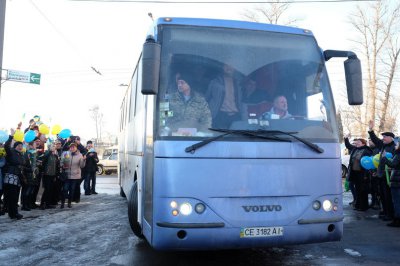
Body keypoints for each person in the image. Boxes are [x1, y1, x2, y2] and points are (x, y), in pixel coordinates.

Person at [368, 120, 396, 221]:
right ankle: (385, 211)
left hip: (389, 176)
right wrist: (370, 130)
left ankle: (390, 214)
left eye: (385, 137)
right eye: (383, 136)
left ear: (390, 138)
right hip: (381, 175)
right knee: (383, 195)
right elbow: (375, 139)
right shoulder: (383, 145)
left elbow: (394, 162)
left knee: (388, 196)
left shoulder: (394, 147)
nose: (383, 138)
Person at [3, 129, 29, 220]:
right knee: (11, 196)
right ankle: (12, 213)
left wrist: (29, 169)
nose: (20, 146)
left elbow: (22, 166)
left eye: (21, 145)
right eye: (19, 145)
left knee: (15, 196)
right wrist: (11, 136)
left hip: (18, 177)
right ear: (15, 146)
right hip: (10, 176)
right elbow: (6, 146)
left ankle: (14, 213)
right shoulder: (11, 152)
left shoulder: (21, 155)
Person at [206, 63, 242, 128]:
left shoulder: (239, 83)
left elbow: (242, 101)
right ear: (222, 67)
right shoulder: (215, 82)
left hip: (235, 116)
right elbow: (207, 98)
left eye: (231, 65)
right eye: (226, 65)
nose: (229, 67)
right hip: (220, 115)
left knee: (237, 137)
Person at [344, 135, 373, 211]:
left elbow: (368, 162)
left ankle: (363, 206)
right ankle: (358, 205)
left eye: (359, 142)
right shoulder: (355, 149)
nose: (357, 143)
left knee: (363, 190)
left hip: (363, 173)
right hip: (355, 173)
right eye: (356, 142)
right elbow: (348, 145)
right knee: (357, 190)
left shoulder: (367, 150)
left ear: (363, 143)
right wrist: (346, 138)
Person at [60, 142, 86, 208]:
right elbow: (61, 162)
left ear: (76, 148)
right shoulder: (66, 153)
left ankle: (69, 203)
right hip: (67, 175)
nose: (72, 148)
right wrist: (62, 165)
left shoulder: (80, 155)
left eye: (73, 147)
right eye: (71, 147)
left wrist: (83, 160)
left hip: (75, 176)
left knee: (72, 190)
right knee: (65, 189)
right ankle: (62, 203)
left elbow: (82, 166)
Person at [381, 144, 400, 227]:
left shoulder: (398, 154)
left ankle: (397, 221)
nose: (396, 145)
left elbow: (393, 164)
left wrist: (384, 157)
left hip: (397, 181)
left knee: (397, 202)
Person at [40, 143, 60, 209]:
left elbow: (57, 166)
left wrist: (56, 174)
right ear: (49, 147)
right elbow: (43, 162)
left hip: (53, 175)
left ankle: (48, 204)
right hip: (47, 174)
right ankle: (42, 204)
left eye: (54, 146)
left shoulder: (55, 156)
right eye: (52, 146)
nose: (54, 147)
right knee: (47, 189)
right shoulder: (47, 154)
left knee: (51, 189)